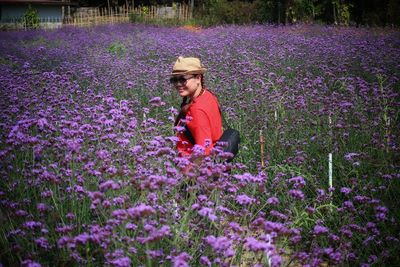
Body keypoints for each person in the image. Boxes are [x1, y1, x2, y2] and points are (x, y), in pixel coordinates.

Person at [169, 56, 223, 158]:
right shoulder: (208, 96)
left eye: (182, 79)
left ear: (198, 78)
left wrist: (191, 172)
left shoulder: (197, 110)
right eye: (174, 80)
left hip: (194, 169)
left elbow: (203, 151)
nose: (178, 84)